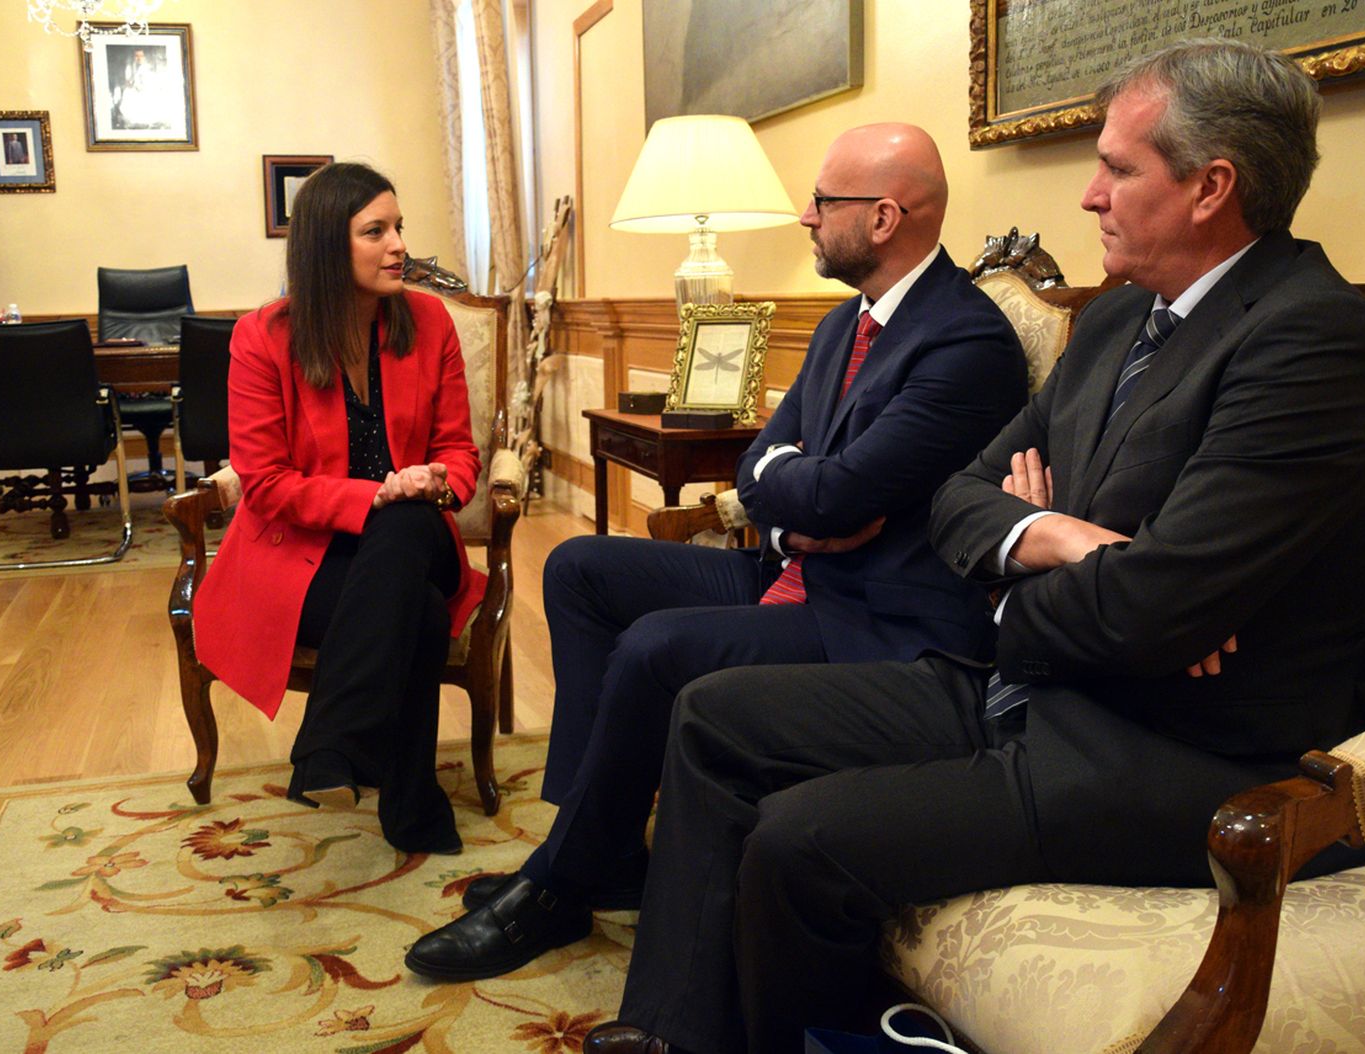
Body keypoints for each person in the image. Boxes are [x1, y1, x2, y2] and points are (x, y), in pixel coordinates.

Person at [580, 39, 1365, 1054]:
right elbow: (959, 503)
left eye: (1116, 167)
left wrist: (1028, 582)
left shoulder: (1308, 340)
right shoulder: (1115, 325)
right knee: (712, 714)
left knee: (803, 840)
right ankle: (673, 1034)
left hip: (1179, 749)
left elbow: (1148, 609)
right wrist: (1054, 537)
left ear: (1211, 187)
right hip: (1041, 685)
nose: (1089, 196)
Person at [403, 123, 1028, 981]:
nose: (806, 218)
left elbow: (833, 490)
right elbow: (766, 461)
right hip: (798, 566)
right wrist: (785, 515)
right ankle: (599, 845)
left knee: (659, 648)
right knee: (581, 569)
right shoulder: (850, 322)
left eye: (822, 202)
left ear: (883, 218)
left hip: (872, 616)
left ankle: (557, 886)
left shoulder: (966, 344)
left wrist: (799, 487)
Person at [193, 162, 485, 855]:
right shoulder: (263, 336)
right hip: (306, 555)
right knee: (408, 607)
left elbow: (460, 451)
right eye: (375, 231)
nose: (398, 247)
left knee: (408, 524)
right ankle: (412, 806)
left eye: (398, 228)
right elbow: (263, 482)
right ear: (328, 244)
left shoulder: (429, 318)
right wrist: (375, 493)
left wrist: (433, 485)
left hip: (421, 535)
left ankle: (331, 738)